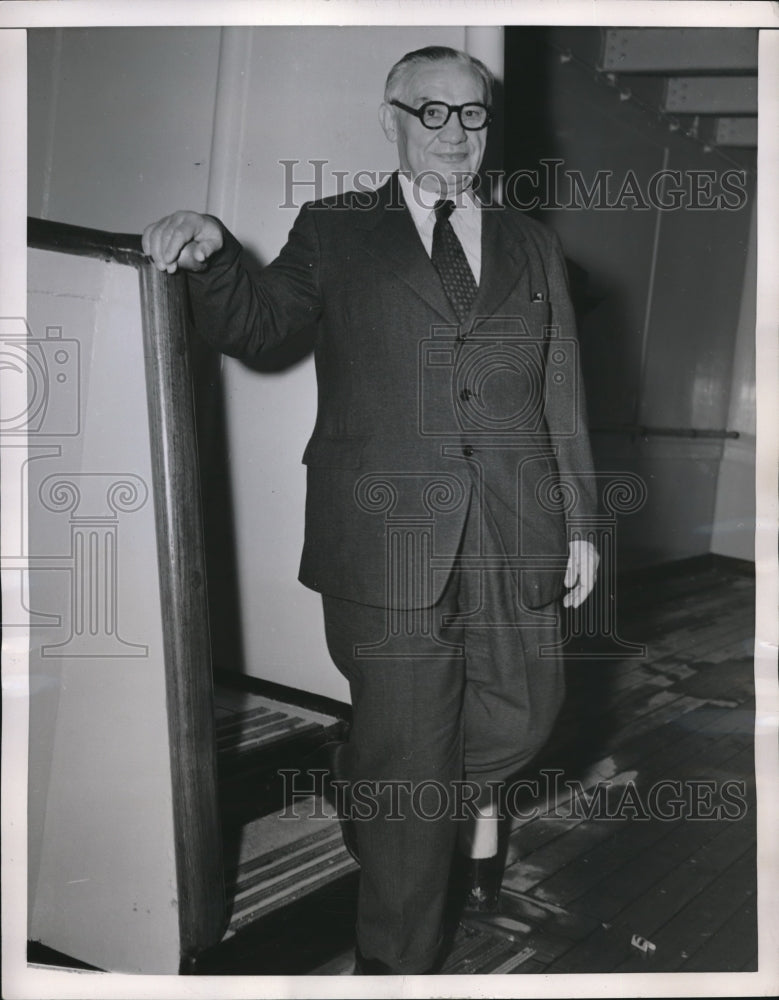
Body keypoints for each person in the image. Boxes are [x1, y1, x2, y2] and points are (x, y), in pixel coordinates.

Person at [143, 45, 599, 975]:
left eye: (471, 115)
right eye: (431, 113)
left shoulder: (528, 241)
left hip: (514, 528)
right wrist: (213, 253)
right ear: (388, 118)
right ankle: (397, 963)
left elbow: (561, 394)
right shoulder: (338, 228)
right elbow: (257, 325)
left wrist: (583, 522)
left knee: (524, 717)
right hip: (385, 533)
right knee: (413, 770)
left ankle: (376, 779)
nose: (455, 135)